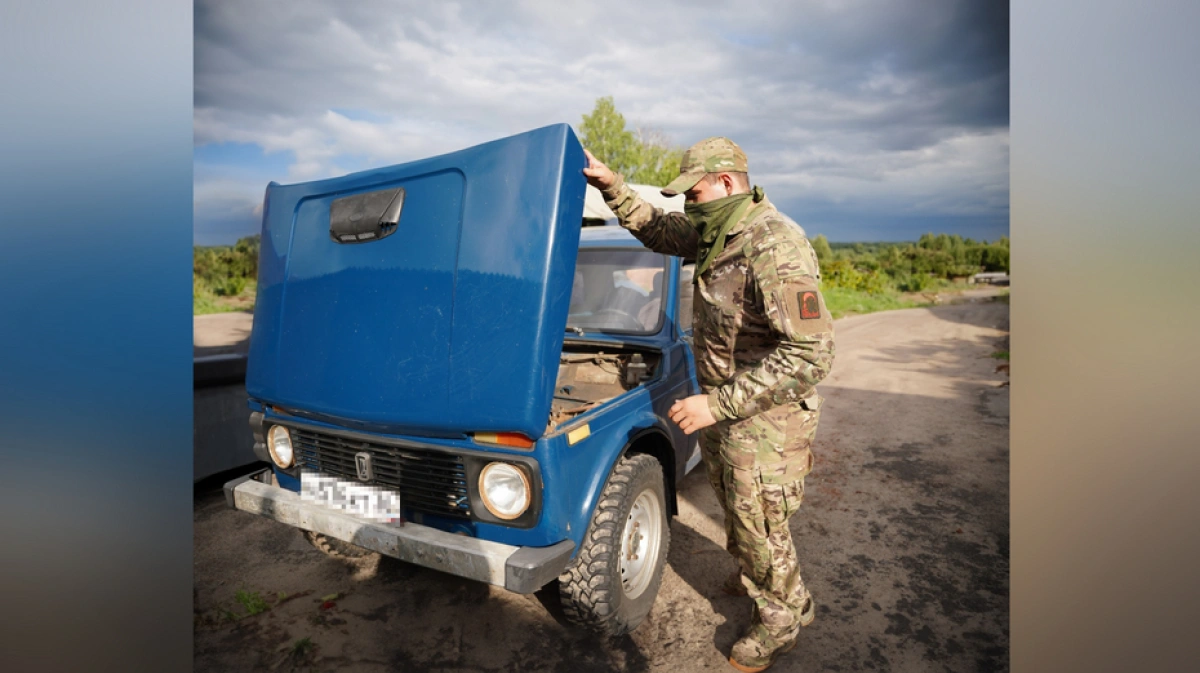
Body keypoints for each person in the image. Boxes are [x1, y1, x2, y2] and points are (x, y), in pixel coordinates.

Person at [582, 137, 835, 673]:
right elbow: (656, 229)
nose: (689, 205)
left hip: (766, 422)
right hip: (728, 415)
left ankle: (781, 620)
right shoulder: (717, 233)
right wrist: (612, 187)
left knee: (762, 524)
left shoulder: (774, 244)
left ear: (726, 182)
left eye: (693, 193)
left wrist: (717, 405)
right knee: (743, 519)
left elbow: (811, 355)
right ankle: (780, 591)